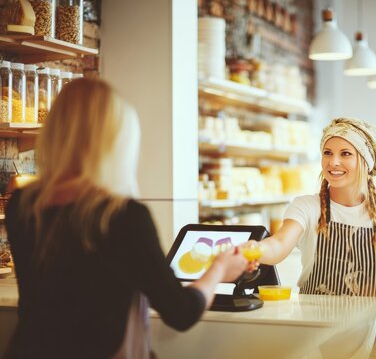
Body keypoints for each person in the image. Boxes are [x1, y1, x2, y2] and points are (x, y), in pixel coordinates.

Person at [4, 78, 248, 359]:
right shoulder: (123, 216)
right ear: (113, 139)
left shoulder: (23, 205)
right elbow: (180, 312)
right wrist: (219, 270)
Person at [254, 118, 376, 296]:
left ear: (366, 162)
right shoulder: (306, 207)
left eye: (345, 154)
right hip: (315, 321)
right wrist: (251, 251)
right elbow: (279, 244)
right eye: (327, 153)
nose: (333, 162)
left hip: (373, 322)